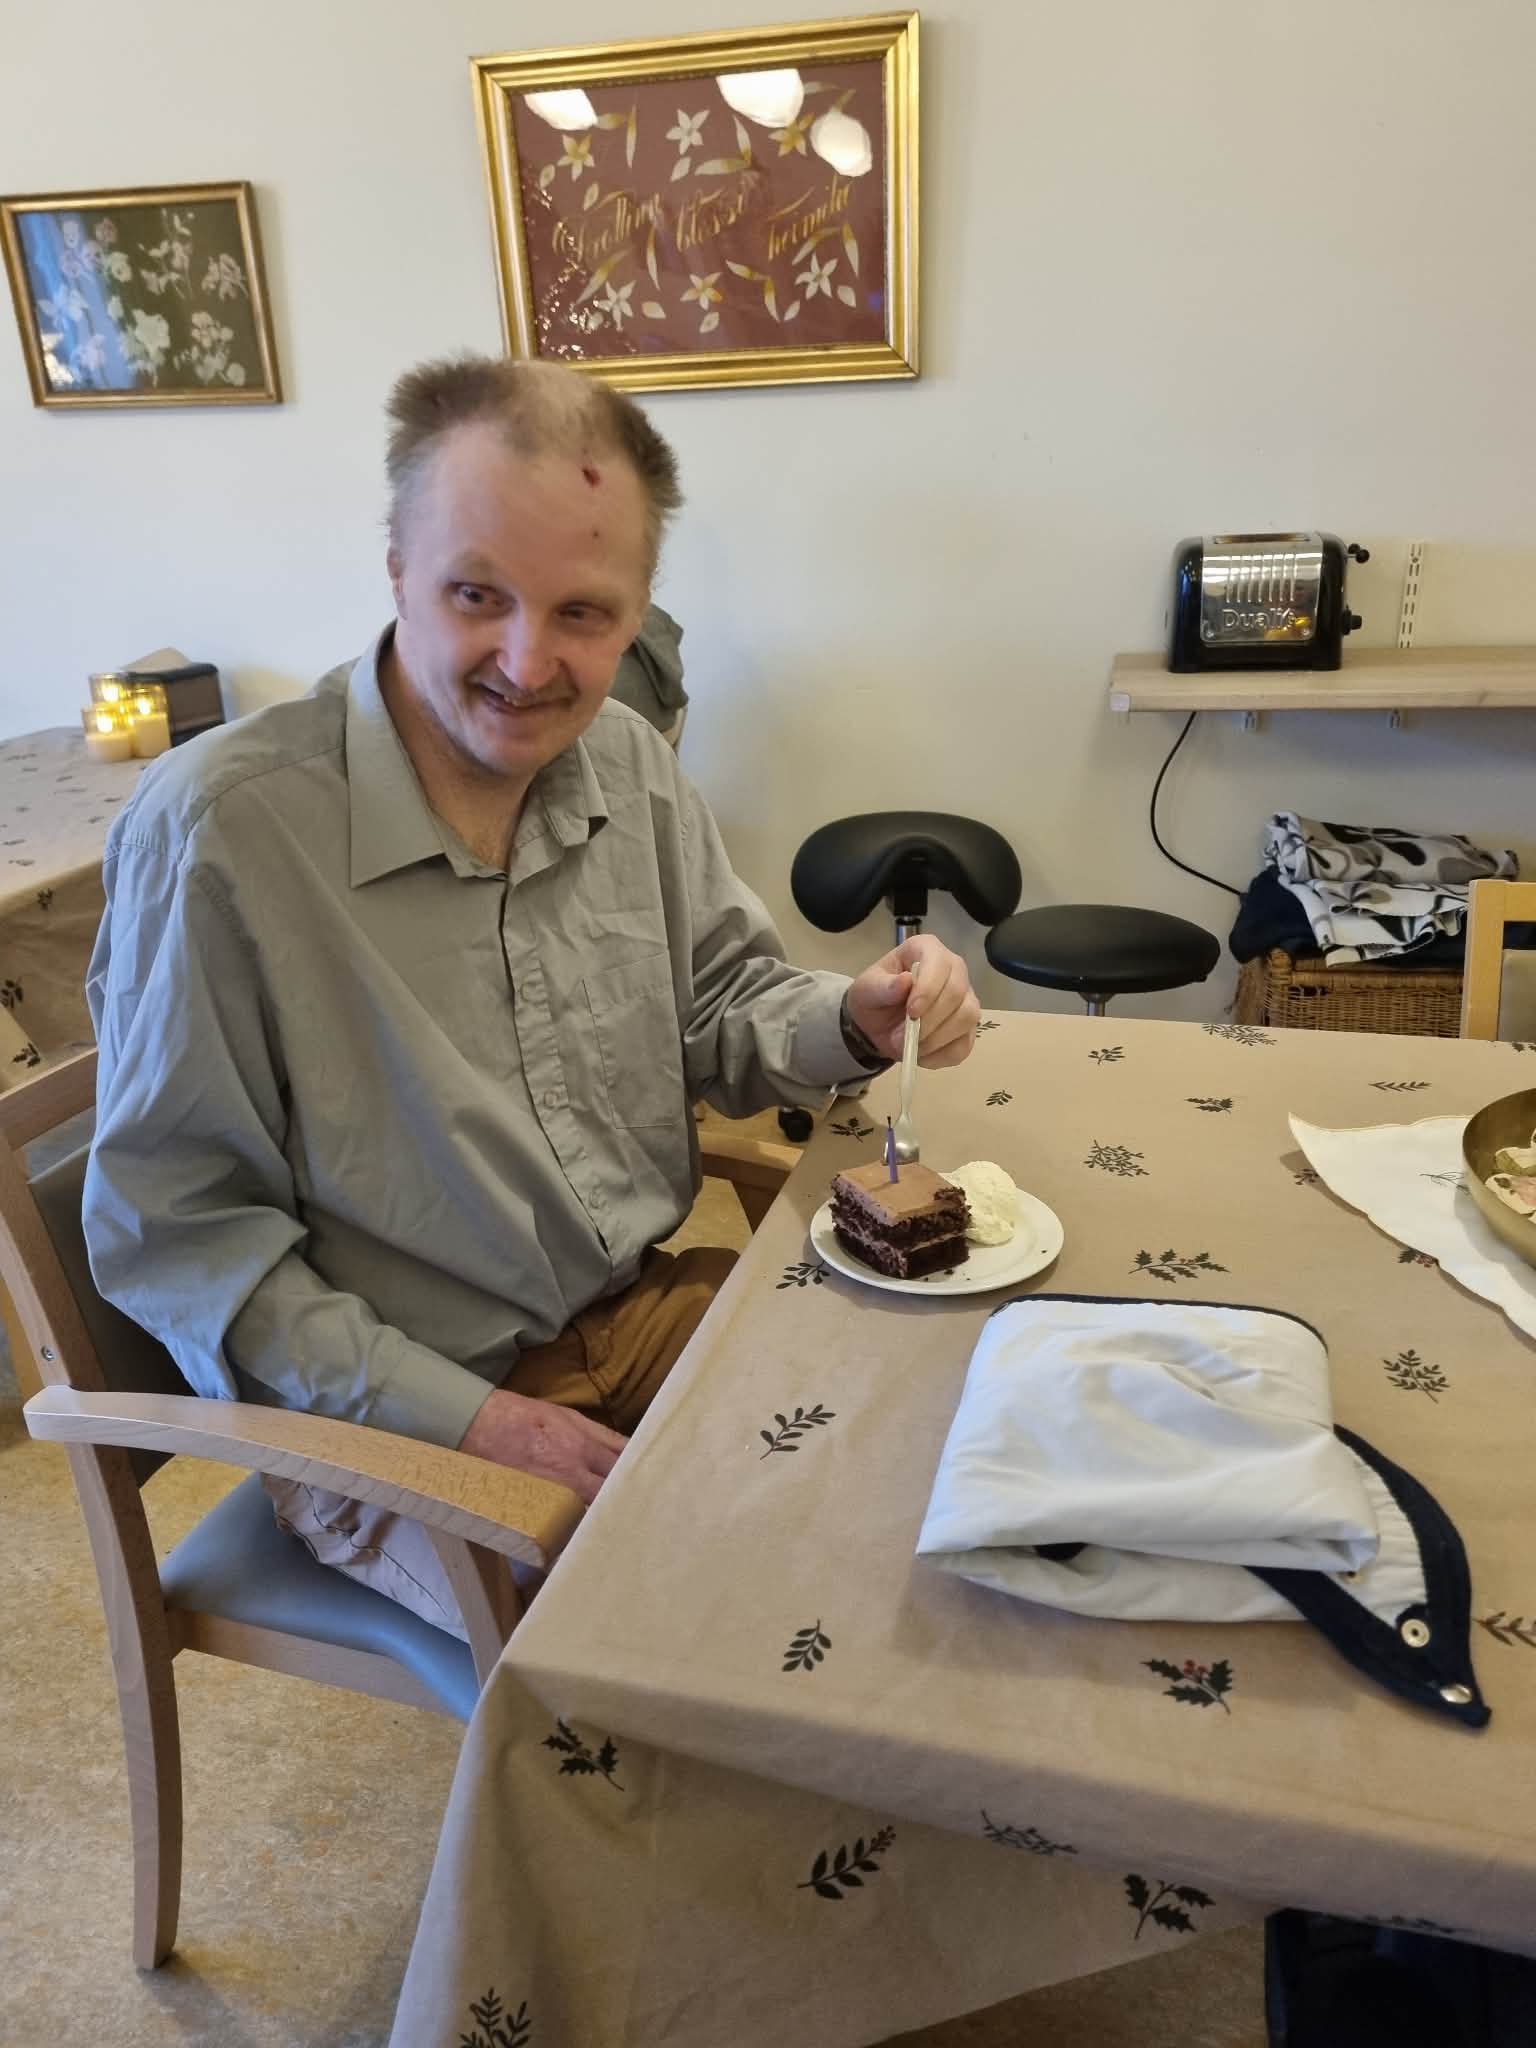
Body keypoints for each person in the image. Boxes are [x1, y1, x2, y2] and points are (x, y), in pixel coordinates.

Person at [82, 354, 981, 1635]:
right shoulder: (224, 830)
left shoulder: (628, 764)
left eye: (582, 613)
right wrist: (478, 1420)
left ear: (638, 614)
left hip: (634, 1304)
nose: (527, 659)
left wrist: (854, 1016)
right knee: (685, 1639)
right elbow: (181, 1233)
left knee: (932, 1465)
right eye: (476, 594)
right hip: (394, 1409)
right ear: (397, 567)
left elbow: (719, 1003)